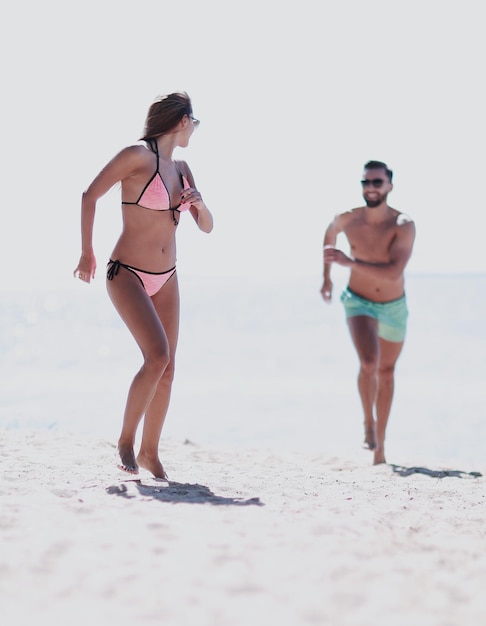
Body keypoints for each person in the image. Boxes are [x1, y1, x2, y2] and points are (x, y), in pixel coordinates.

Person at [73, 92, 213, 479]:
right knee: (156, 357)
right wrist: (87, 253)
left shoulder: (182, 168)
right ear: (182, 121)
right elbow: (90, 195)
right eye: (194, 123)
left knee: (167, 368)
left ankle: (151, 453)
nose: (194, 131)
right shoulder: (136, 156)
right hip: (127, 273)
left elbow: (206, 226)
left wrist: (198, 204)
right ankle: (126, 441)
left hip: (168, 276)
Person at [321, 160, 415, 465]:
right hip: (359, 301)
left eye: (377, 182)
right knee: (369, 361)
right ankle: (367, 422)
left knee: (386, 373)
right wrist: (326, 277)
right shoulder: (349, 219)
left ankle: (381, 448)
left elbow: (393, 273)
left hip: (393, 306)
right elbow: (329, 234)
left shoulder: (403, 224)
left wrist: (349, 264)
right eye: (366, 182)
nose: (371, 188)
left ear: (389, 185)